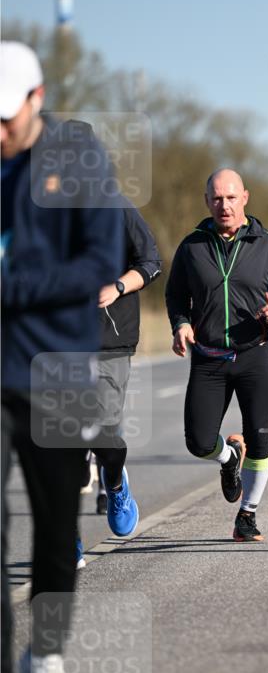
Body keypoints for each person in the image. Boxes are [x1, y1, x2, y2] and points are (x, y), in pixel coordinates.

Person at [1, 41, 124, 673]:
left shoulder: (77, 163)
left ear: (36, 100)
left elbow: (98, 266)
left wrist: (10, 291)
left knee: (55, 533)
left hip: (56, 371)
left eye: (5, 119)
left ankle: (44, 660)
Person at [165, 168, 268, 541]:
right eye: (216, 198)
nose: (223, 205)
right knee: (198, 441)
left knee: (261, 440)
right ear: (207, 201)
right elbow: (176, 294)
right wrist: (180, 323)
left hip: (254, 354)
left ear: (245, 197)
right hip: (209, 358)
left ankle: (248, 515)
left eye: (230, 197)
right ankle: (228, 458)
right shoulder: (192, 246)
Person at [76, 203, 161, 566]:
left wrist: (119, 286)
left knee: (105, 434)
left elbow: (151, 262)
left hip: (110, 340)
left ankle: (114, 483)